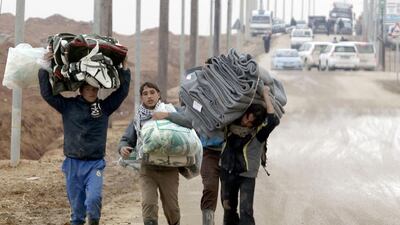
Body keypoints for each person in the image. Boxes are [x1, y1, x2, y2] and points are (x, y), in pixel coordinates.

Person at [38, 54, 131, 225]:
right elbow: (47, 94)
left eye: (95, 89)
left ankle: (94, 220)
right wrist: (44, 66)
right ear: (81, 89)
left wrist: (124, 70)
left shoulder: (104, 107)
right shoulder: (68, 106)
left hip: (95, 164)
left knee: (93, 202)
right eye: (88, 89)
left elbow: (122, 92)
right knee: (77, 213)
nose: (92, 92)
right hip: (73, 164)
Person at [118, 82, 183, 225]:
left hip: (169, 169)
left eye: (152, 92)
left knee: (172, 209)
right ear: (141, 98)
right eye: (145, 94)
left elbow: (188, 121)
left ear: (159, 94)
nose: (149, 96)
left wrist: (167, 116)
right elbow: (126, 139)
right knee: (149, 205)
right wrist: (122, 147)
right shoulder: (138, 118)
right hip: (147, 169)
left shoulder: (170, 110)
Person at [219, 85, 280, 225]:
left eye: (251, 122)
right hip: (227, 171)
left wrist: (265, 94)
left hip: (246, 175)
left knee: (246, 211)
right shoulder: (231, 123)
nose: (246, 122)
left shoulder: (258, 134)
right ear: (244, 113)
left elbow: (272, 120)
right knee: (228, 209)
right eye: (247, 118)